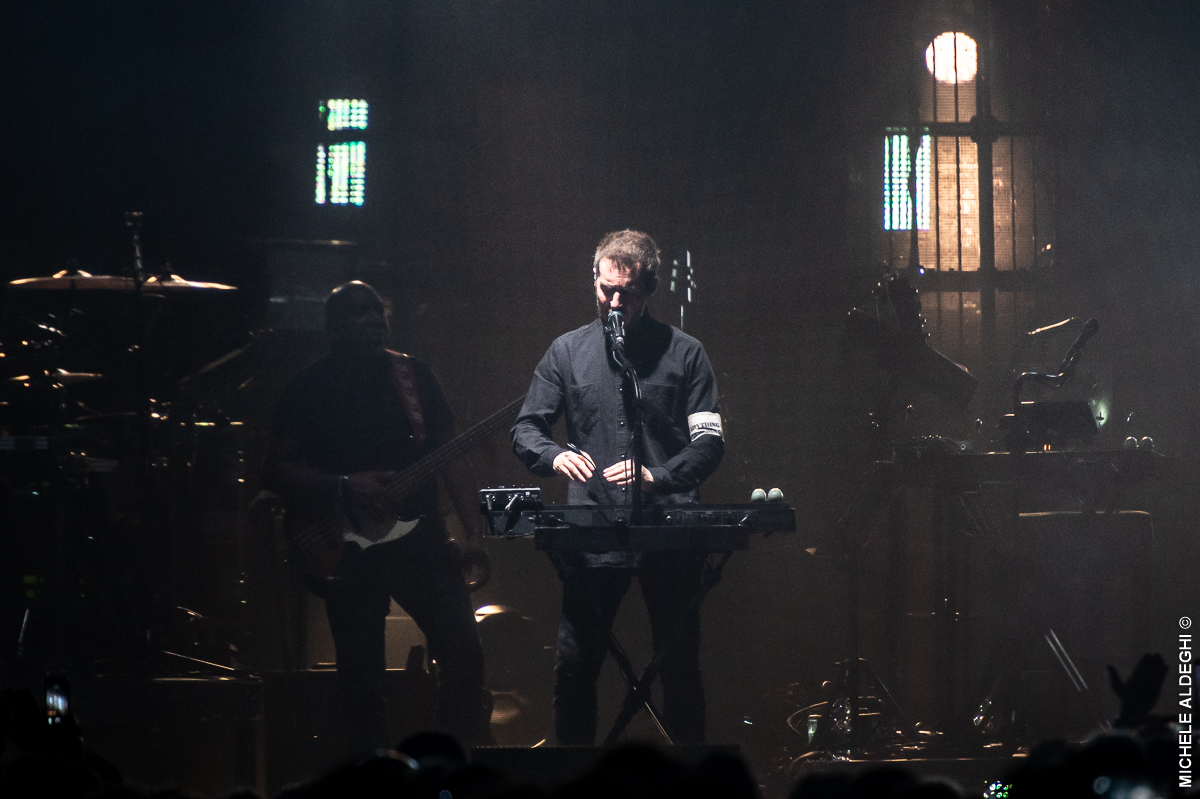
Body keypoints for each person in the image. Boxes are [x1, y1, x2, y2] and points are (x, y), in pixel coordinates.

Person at [511, 230, 725, 744]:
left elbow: (709, 443)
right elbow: (526, 428)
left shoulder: (686, 353)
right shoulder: (567, 352)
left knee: (679, 667)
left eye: (625, 293)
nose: (613, 302)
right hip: (594, 532)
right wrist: (555, 455)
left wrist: (656, 476)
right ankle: (575, 777)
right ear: (594, 281)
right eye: (605, 289)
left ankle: (689, 778)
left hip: (668, 530)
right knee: (574, 667)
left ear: (649, 290)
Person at [263, 281, 492, 754]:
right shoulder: (307, 387)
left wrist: (474, 532)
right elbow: (276, 470)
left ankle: (439, 768)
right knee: (361, 682)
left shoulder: (414, 376)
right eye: (359, 312)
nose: (374, 319)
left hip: (421, 540)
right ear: (333, 326)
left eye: (378, 310)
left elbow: (451, 455)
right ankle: (377, 781)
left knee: (466, 657)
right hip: (346, 548)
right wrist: (344, 485)